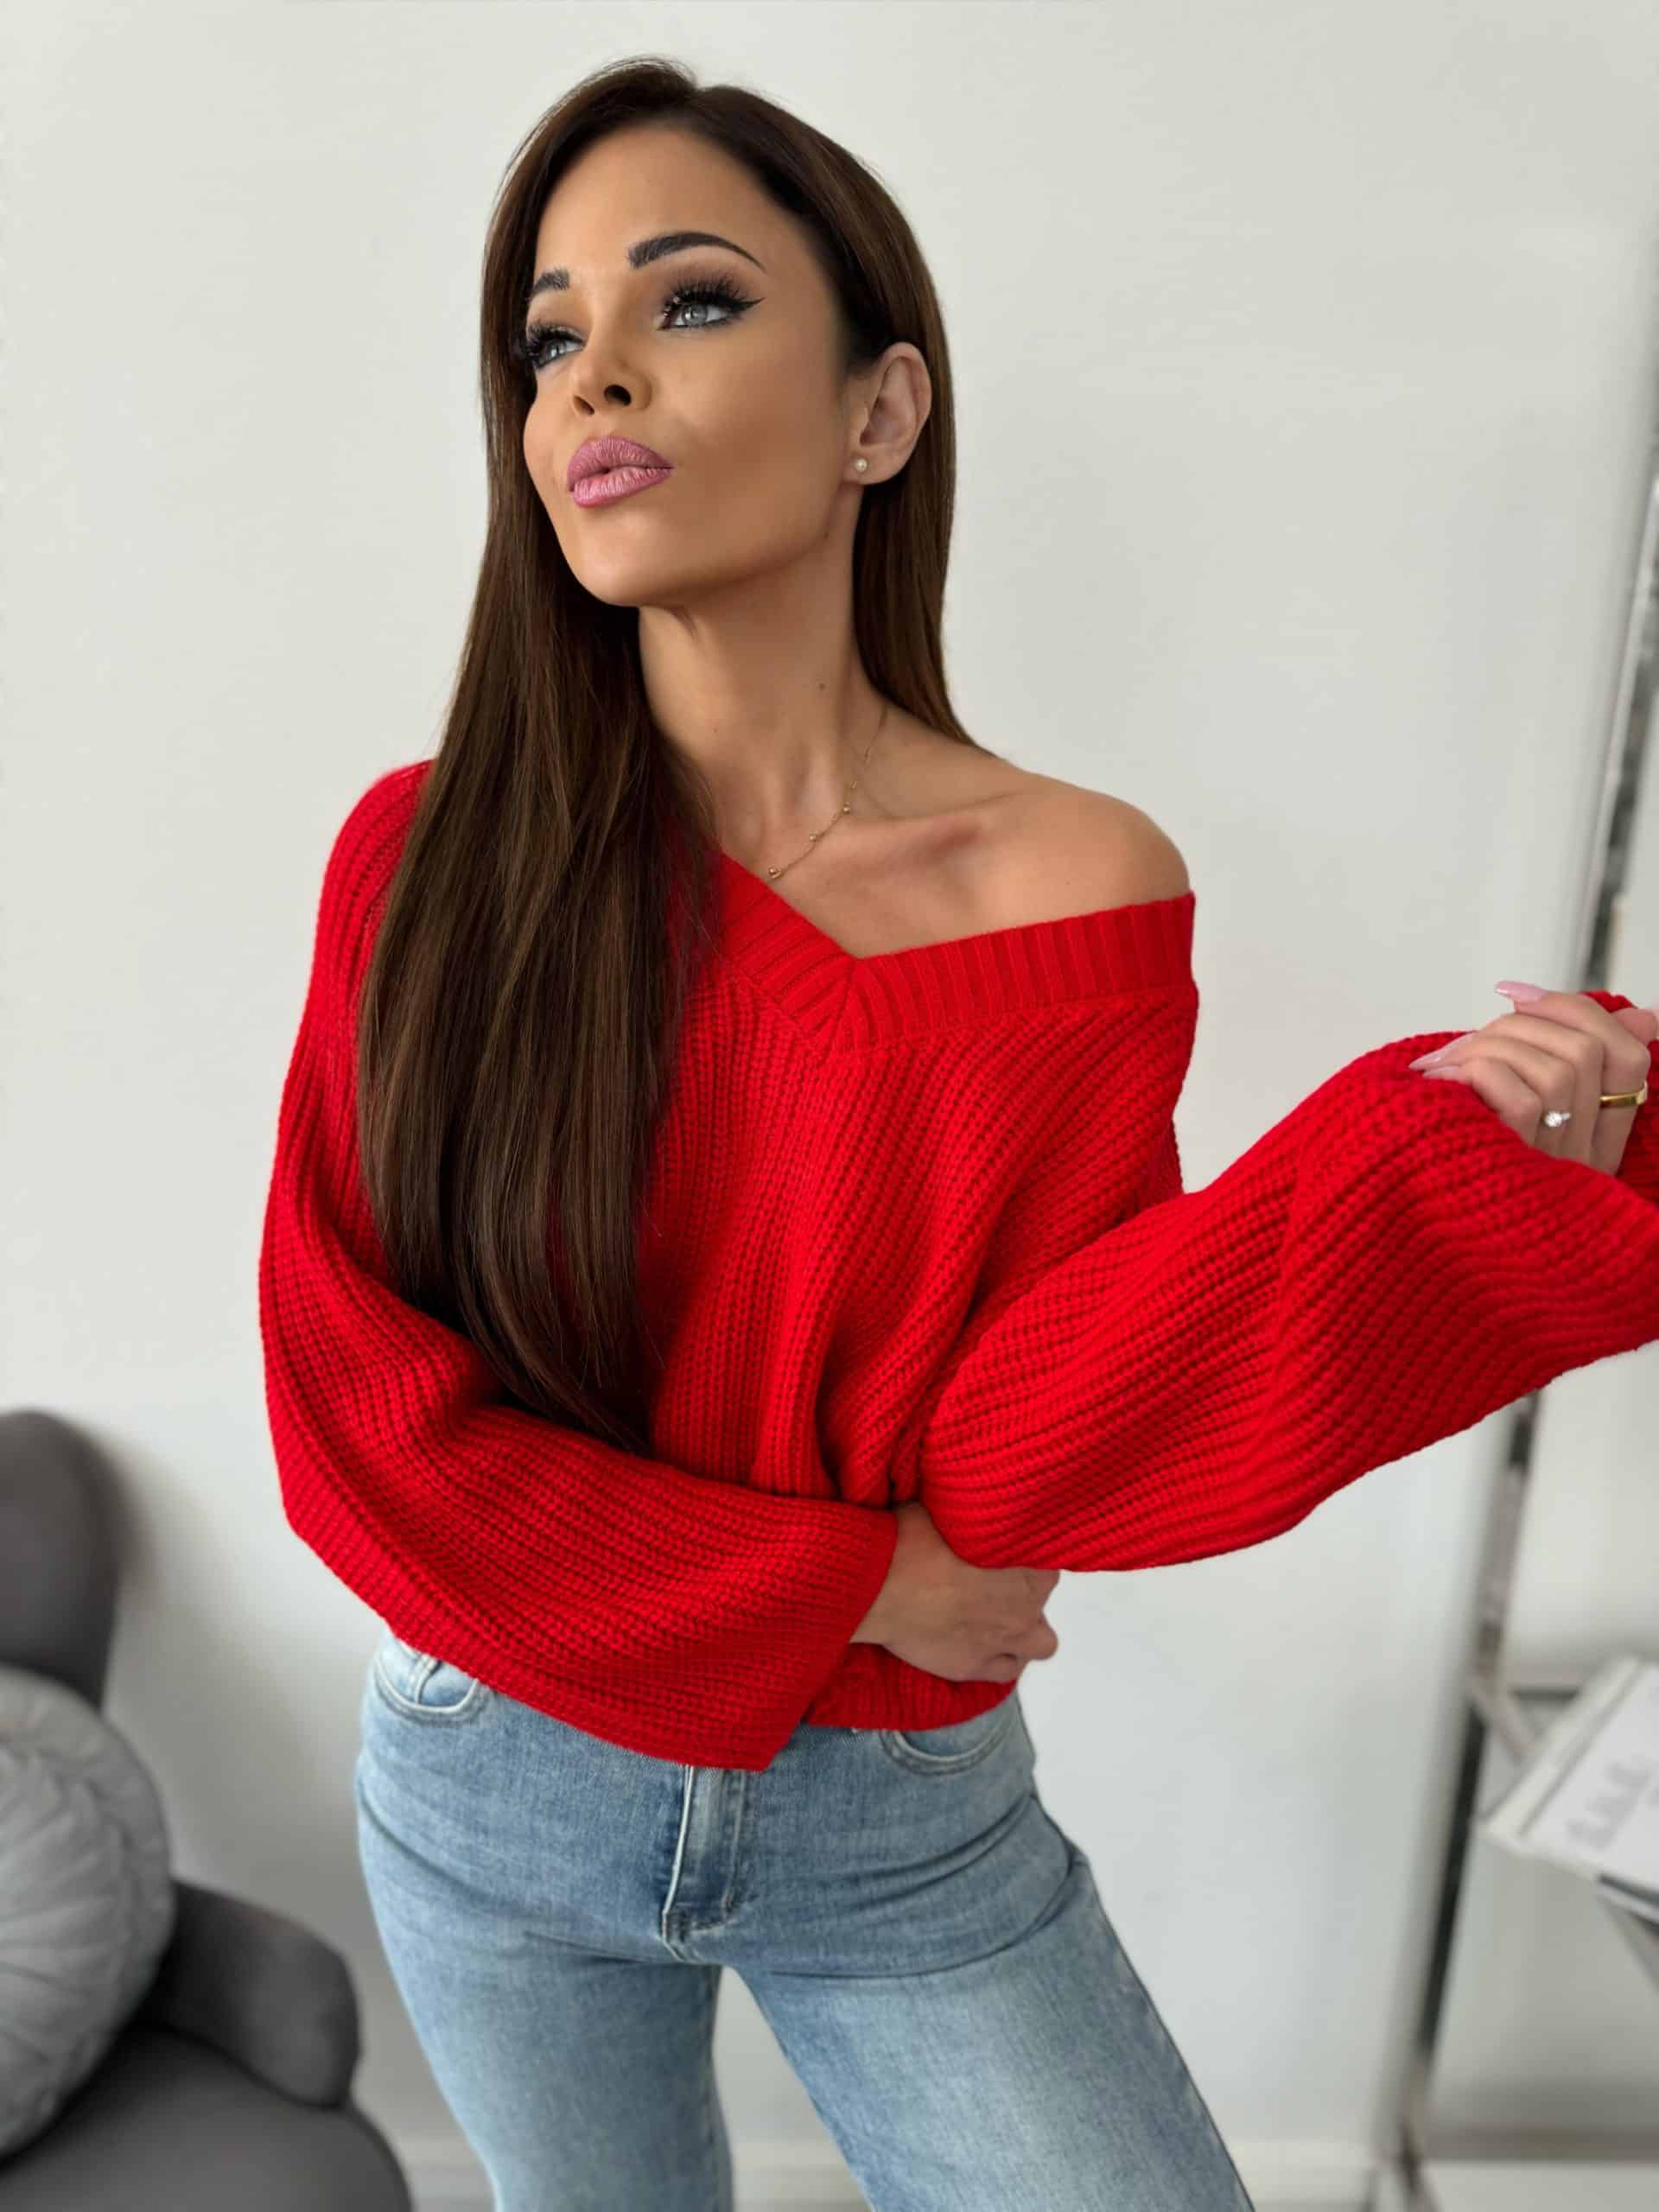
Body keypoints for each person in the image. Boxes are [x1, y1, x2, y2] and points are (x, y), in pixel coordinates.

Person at [258, 55, 1659, 2212]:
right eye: (546, 337)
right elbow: (358, 1419)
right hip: (495, 1775)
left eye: (690, 299)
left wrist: (1415, 1167)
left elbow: (1041, 1432)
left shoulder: (1078, 887)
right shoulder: (431, 862)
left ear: (882, 412)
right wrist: (861, 1574)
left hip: (898, 1816)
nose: (593, 375)